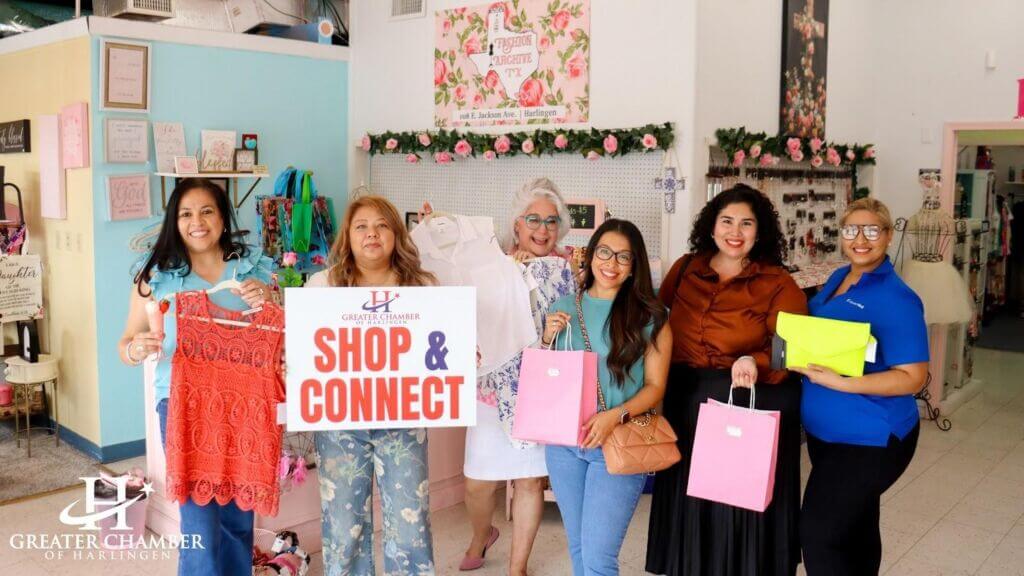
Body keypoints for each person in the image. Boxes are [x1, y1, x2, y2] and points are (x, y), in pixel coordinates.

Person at [646, 183, 808, 576]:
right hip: (688, 400)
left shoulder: (777, 282)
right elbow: (658, 319)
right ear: (712, 225)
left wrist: (756, 358)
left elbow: (794, 349)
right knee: (693, 498)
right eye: (727, 221)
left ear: (760, 230)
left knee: (737, 500)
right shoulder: (686, 268)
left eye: (747, 224)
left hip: (748, 400)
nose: (736, 231)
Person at [119, 178, 276, 576]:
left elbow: (280, 327)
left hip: (244, 404)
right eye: (186, 214)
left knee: (240, 520)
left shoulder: (253, 267)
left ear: (223, 218)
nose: (197, 222)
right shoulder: (156, 275)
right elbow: (126, 342)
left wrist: (269, 297)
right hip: (182, 405)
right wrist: (136, 350)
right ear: (175, 221)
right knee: (200, 525)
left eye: (207, 211)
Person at [306, 195, 438, 576]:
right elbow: (305, 348)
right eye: (361, 226)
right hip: (340, 421)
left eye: (382, 225)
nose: (372, 234)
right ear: (348, 236)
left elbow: (439, 350)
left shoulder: (422, 288)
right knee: (343, 527)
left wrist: (462, 354)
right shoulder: (323, 286)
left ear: (396, 234)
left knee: (410, 525)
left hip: (403, 420)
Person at [795, 198, 928, 576]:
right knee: (857, 527)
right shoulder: (841, 276)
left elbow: (912, 377)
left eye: (872, 230)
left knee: (819, 533)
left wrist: (844, 383)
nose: (860, 239)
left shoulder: (897, 299)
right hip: (829, 435)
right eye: (851, 229)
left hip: (871, 438)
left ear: (887, 236)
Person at [543, 218, 672, 575]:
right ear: (590, 254)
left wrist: (613, 416)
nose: (610, 264)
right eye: (604, 252)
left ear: (634, 267)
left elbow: (655, 387)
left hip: (617, 442)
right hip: (564, 444)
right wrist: (545, 340)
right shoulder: (566, 306)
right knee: (580, 550)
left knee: (599, 559)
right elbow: (552, 376)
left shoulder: (652, 316)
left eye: (623, 257)